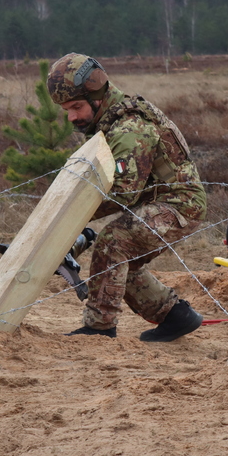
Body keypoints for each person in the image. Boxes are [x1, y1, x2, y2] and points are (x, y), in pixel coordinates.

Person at [46, 53, 207, 342]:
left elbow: (124, 192)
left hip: (180, 205)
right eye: (66, 110)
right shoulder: (111, 120)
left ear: (97, 96)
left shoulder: (129, 127)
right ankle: (176, 317)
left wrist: (69, 219)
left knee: (114, 242)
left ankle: (99, 328)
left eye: (77, 107)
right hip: (161, 202)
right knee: (122, 262)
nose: (72, 117)